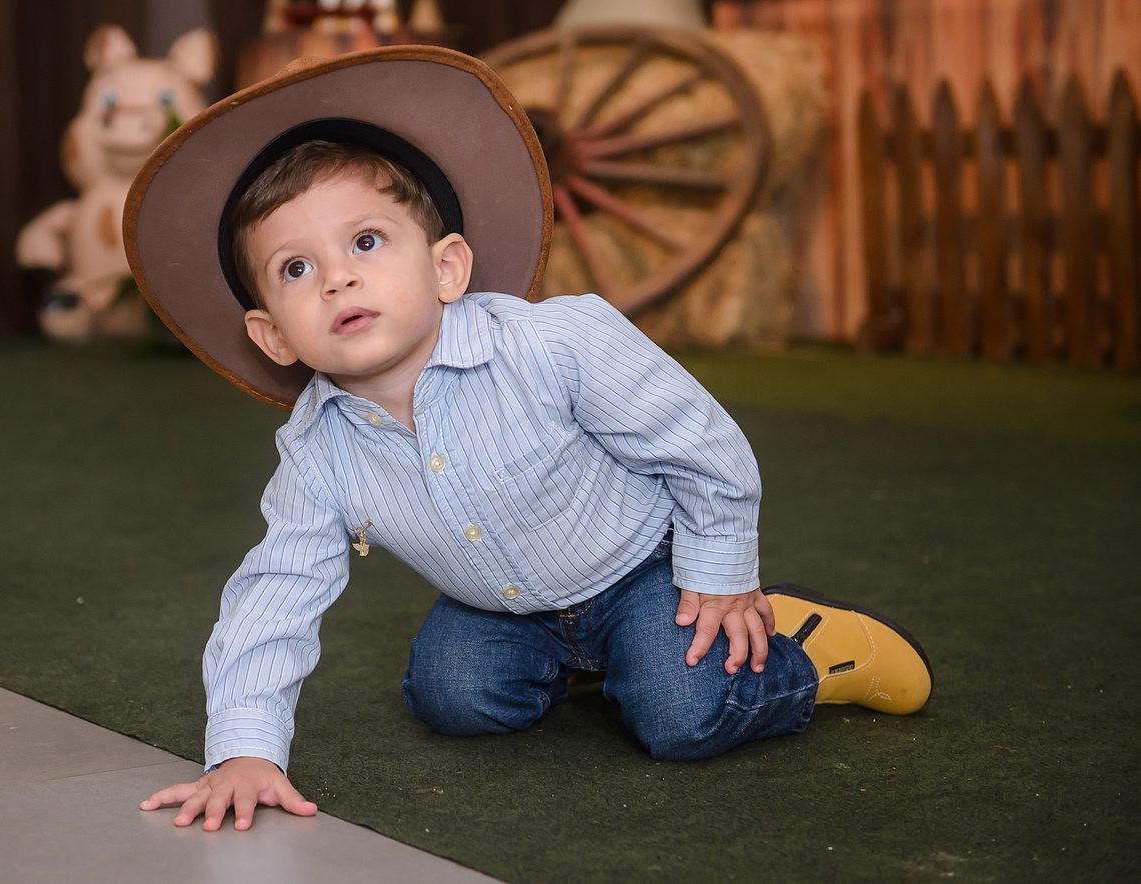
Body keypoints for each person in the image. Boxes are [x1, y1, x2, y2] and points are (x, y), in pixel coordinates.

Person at [125, 46, 932, 834]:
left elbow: (699, 444)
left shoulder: (552, 343)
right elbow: (277, 590)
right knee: (452, 698)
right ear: (272, 336)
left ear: (447, 268)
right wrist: (244, 749)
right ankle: (603, 662)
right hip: (508, 606)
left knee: (680, 713)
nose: (337, 277)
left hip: (644, 568)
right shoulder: (317, 447)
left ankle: (812, 653)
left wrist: (719, 576)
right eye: (296, 269)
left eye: (366, 242)